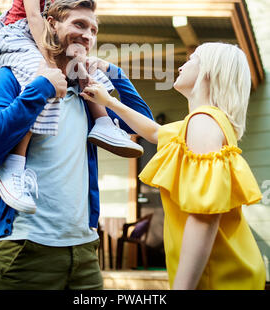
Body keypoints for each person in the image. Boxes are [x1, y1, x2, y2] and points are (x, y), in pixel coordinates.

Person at [0, 0, 153, 290]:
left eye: (94, 30)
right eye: (79, 24)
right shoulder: (13, 78)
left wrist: (114, 72)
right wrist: (41, 88)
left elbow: (141, 125)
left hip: (84, 253)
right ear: (52, 25)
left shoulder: (88, 95)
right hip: (21, 250)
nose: (87, 34)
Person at [80, 42, 266, 290]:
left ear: (208, 71)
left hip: (219, 278)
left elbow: (204, 215)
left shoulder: (203, 122)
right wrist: (110, 97)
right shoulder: (201, 123)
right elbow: (155, 132)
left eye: (191, 60)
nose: (181, 65)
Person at [0, 0, 143, 214]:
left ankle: (104, 123)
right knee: (38, 81)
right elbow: (35, 20)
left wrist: (113, 70)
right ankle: (14, 166)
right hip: (17, 41)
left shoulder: (53, 2)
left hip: (80, 231)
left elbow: (142, 120)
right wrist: (46, 56)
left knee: (80, 64)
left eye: (93, 31)